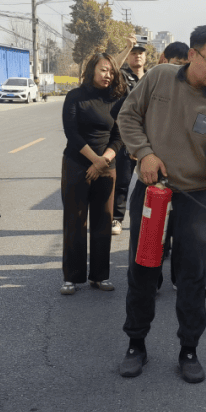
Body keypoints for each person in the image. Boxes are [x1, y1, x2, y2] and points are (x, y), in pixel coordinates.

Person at [115, 25, 206, 384]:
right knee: (143, 268)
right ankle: (136, 343)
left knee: (192, 274)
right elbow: (127, 118)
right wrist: (144, 154)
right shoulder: (159, 78)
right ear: (192, 55)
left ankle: (189, 349)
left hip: (196, 197)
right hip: (154, 190)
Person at [61, 52, 127, 295]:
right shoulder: (75, 97)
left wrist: (104, 161)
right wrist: (95, 160)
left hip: (107, 165)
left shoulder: (118, 98)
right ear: (92, 70)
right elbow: (72, 134)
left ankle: (100, 276)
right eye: (103, 70)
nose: (108, 75)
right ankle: (71, 277)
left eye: (111, 71)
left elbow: (120, 135)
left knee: (104, 220)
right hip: (77, 164)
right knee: (75, 220)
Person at [111, 36, 145, 236]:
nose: (137, 55)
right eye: (134, 53)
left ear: (146, 57)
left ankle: (146, 220)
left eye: (140, 52)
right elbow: (112, 67)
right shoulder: (122, 76)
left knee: (150, 183)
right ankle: (117, 219)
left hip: (149, 140)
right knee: (123, 181)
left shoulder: (152, 76)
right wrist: (127, 47)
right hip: (126, 138)